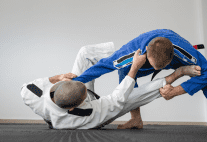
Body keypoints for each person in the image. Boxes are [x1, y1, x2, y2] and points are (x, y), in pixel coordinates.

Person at [71, 29, 207, 131]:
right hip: (144, 60)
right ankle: (136, 119)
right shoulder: (130, 52)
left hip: (174, 57)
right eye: (156, 67)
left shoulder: (183, 51)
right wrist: (74, 82)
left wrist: (177, 91)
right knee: (125, 71)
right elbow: (101, 67)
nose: (158, 71)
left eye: (161, 67)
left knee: (206, 73)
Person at [20, 42, 196, 129]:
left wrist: (58, 76)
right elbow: (117, 99)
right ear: (77, 105)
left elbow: (28, 86)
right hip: (101, 114)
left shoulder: (32, 94)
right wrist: (134, 67)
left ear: (58, 86)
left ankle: (125, 54)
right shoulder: (85, 113)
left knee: (85, 53)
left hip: (70, 94)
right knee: (139, 94)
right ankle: (179, 73)